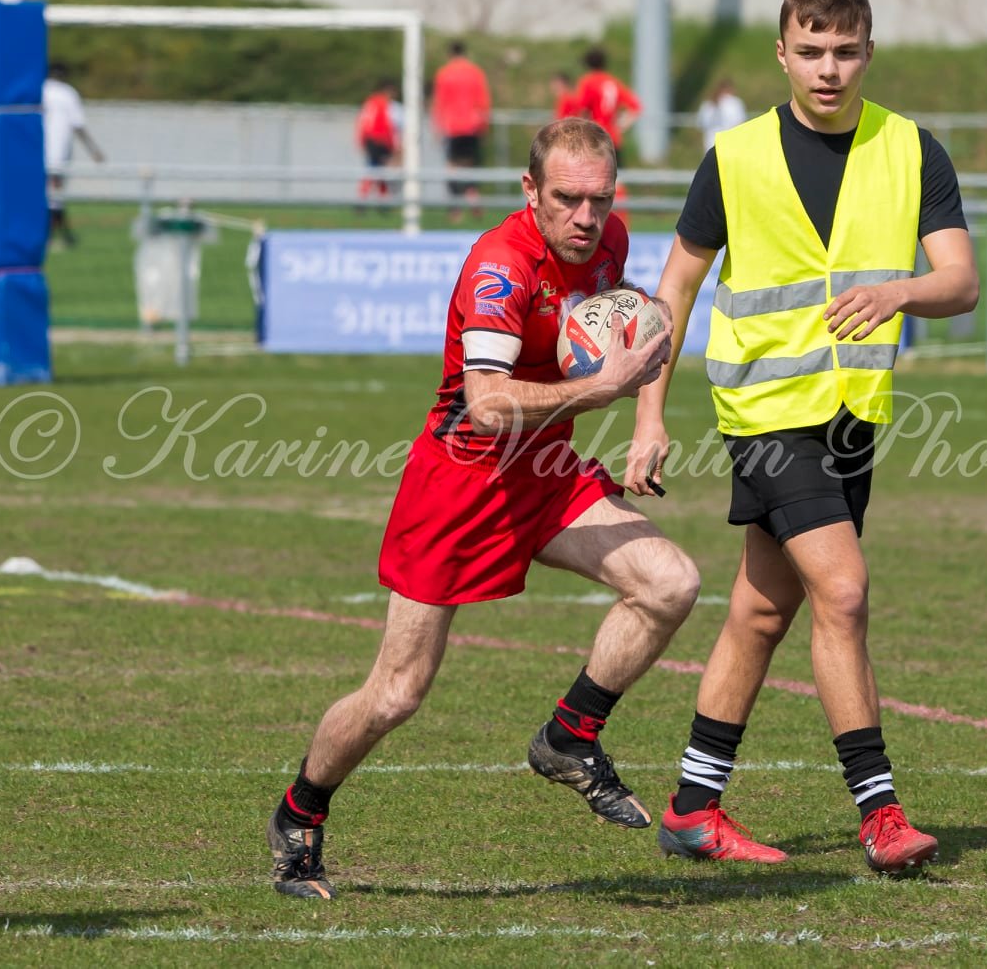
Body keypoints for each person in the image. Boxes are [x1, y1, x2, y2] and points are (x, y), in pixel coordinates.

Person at [266, 118, 699, 899]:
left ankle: (570, 735)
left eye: (599, 199)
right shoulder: (497, 268)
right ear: (529, 191)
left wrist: (645, 408)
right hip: (460, 487)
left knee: (669, 582)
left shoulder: (610, 243)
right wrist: (604, 389)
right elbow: (490, 404)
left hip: (548, 471)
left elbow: (615, 336)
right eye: (566, 198)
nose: (585, 216)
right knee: (396, 693)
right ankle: (300, 813)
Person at [625, 0, 978, 871]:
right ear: (782, 52)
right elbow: (675, 286)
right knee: (845, 590)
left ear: (868, 52)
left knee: (759, 610)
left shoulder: (911, 148)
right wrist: (649, 414)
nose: (827, 68)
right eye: (810, 51)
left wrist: (897, 289)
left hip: (853, 417)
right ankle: (880, 813)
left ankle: (692, 808)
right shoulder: (734, 155)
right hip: (764, 414)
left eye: (844, 51)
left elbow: (959, 282)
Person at [42, 62, 104, 249]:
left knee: (46, 194)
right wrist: (93, 150)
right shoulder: (68, 93)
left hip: (37, 151)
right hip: (58, 151)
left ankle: (61, 235)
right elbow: (78, 124)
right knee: (55, 195)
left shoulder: (39, 90)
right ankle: (52, 236)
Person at [430, 40, 491, 221]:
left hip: (452, 127)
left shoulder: (444, 73)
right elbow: (483, 101)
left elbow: (440, 102)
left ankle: (455, 209)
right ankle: (474, 201)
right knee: (470, 165)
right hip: (472, 126)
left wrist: (437, 126)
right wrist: (484, 125)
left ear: (450, 54)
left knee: (452, 167)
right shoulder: (475, 72)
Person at [575, 47, 642, 164]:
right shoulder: (613, 81)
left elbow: (583, 110)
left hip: (594, 137)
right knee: (616, 176)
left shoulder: (588, 82)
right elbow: (636, 107)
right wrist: (620, 125)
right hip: (613, 138)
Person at [355, 77, 400, 205]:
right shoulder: (382, 104)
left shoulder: (370, 102)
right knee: (375, 170)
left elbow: (363, 122)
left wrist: (361, 140)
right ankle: (364, 200)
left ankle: (381, 201)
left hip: (371, 140)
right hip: (379, 141)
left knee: (378, 170)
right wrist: (391, 144)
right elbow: (386, 126)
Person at [697, 77, 747, 152]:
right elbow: (740, 122)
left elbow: (701, 123)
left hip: (712, 143)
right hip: (727, 143)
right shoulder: (735, 103)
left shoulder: (708, 104)